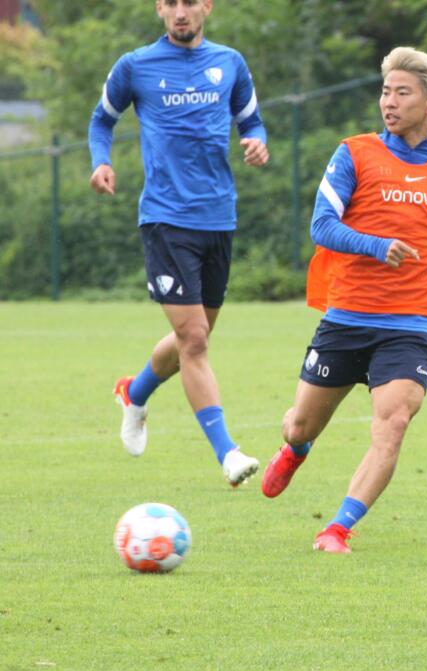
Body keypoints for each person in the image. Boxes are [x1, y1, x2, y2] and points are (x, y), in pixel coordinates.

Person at [259, 47, 427, 555]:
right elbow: (321, 226)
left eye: (402, 92)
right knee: (300, 423)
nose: (389, 102)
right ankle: (296, 448)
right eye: (385, 92)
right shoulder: (353, 153)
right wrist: (377, 246)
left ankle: (337, 528)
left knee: (394, 422)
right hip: (348, 315)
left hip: (414, 322)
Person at [89, 0, 268, 485]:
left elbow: (251, 120)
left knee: (197, 334)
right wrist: (101, 160)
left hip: (219, 217)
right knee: (194, 339)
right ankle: (227, 453)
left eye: (189, 2)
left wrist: (257, 141)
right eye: (171, 3)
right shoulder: (136, 66)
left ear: (206, 6)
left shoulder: (230, 63)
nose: (180, 12)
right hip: (166, 218)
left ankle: (134, 392)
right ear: (159, 9)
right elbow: (102, 119)